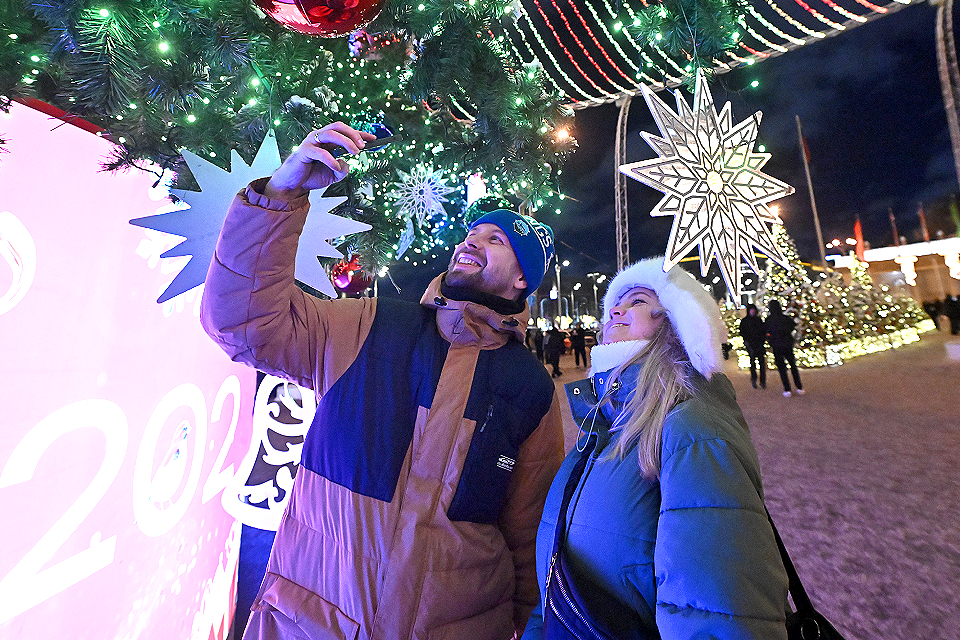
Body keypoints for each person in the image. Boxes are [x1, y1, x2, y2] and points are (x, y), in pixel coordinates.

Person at [201, 123, 565, 640]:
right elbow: (243, 325)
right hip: (312, 621)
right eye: (472, 233)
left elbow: (528, 539)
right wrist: (280, 195)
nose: (472, 240)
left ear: (522, 279)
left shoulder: (530, 388)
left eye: (496, 239)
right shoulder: (370, 325)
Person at [521, 258, 788, 639]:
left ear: (677, 326)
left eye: (638, 301)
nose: (616, 310)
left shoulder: (692, 428)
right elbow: (556, 578)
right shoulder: (606, 425)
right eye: (616, 304)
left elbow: (717, 611)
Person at [765, 299, 804, 397]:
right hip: (787, 343)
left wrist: (770, 339)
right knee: (793, 366)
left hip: (776, 345)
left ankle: (787, 389)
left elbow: (766, 331)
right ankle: (799, 387)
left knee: (782, 368)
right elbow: (792, 326)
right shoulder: (785, 318)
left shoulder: (769, 320)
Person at [739, 303, 767, 389]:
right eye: (751, 310)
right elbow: (742, 332)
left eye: (753, 310)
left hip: (759, 344)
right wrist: (746, 341)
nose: (752, 311)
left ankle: (762, 381)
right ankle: (754, 379)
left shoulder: (758, 320)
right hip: (750, 345)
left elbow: (763, 331)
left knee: (762, 364)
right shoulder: (745, 321)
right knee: (753, 364)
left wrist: (762, 340)